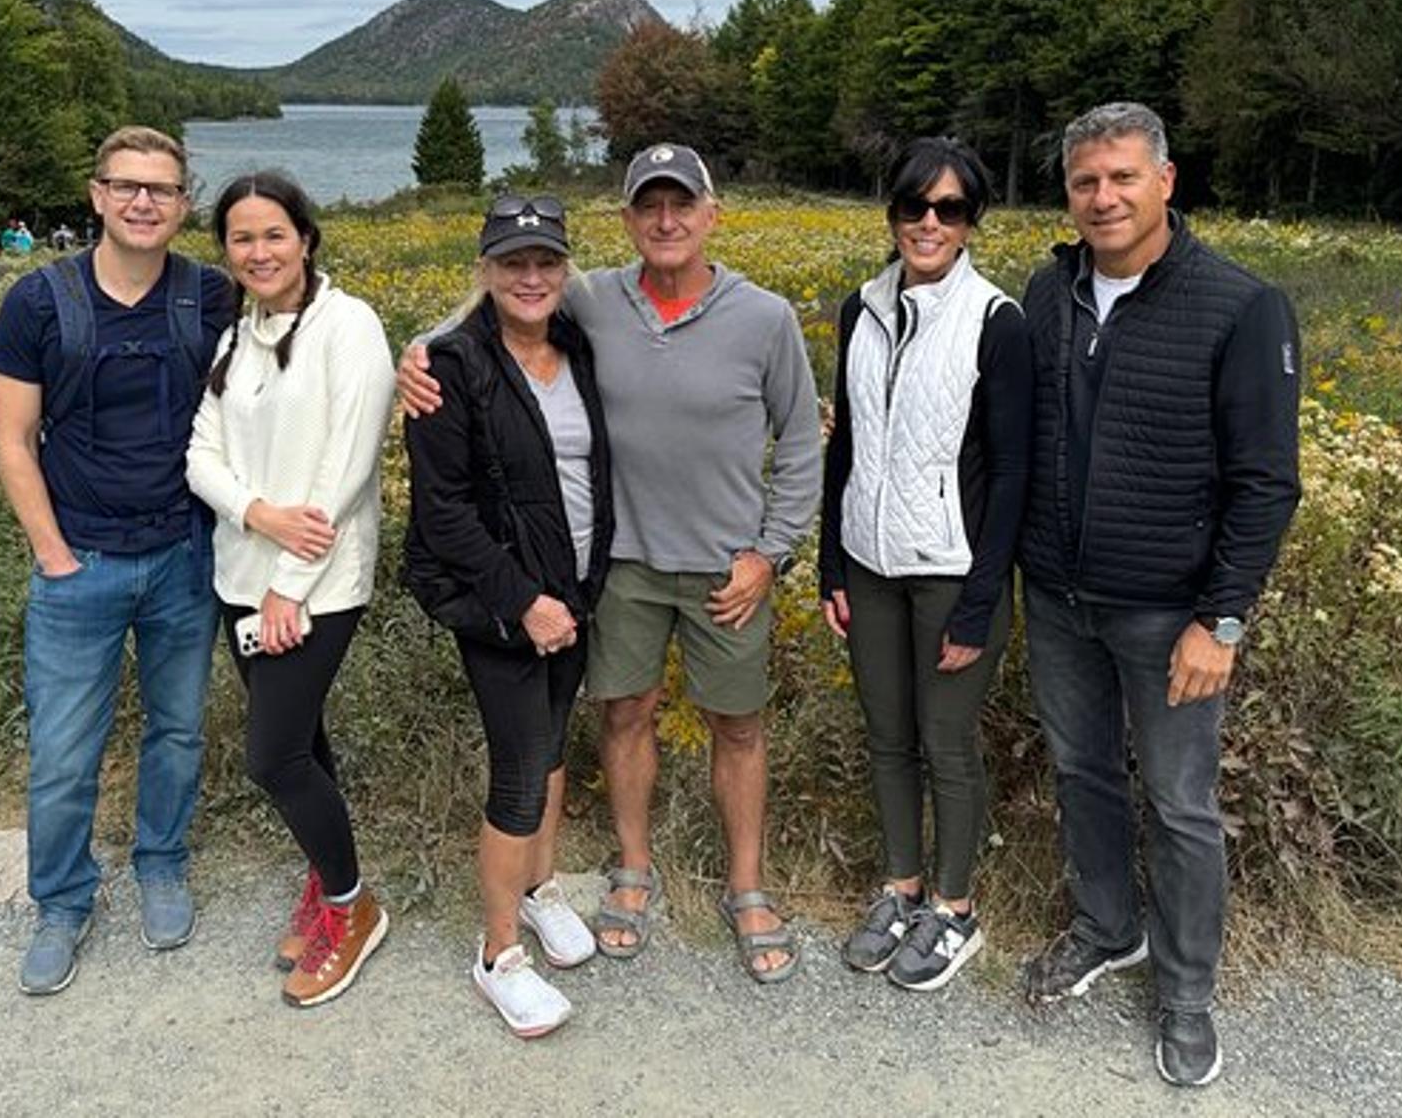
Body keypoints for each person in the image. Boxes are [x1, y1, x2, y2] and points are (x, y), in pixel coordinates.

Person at [399, 144, 821, 983]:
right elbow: (490, 313)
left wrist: (769, 553)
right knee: (624, 716)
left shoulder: (766, 316)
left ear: (711, 214)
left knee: (738, 725)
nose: (666, 221)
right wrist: (412, 352)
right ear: (626, 220)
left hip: (725, 572)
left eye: (682, 205)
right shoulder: (593, 301)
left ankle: (746, 884)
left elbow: (802, 441)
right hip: (619, 565)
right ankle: (631, 871)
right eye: (648, 207)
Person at [1016, 102, 1301, 1088]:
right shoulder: (1047, 293)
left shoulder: (1235, 305)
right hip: (1055, 597)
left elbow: (1265, 481)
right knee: (1081, 773)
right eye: (1085, 182)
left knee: (1178, 804)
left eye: (1121, 178)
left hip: (1166, 613)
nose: (1102, 198)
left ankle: (1184, 993)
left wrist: (1218, 619)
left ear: (1164, 182)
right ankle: (1107, 930)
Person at [0, 126, 238, 996]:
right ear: (95, 194)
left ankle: (159, 864)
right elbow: (13, 441)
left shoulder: (210, 296)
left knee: (176, 730)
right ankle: (61, 902)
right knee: (63, 750)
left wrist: (421, 352)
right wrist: (52, 555)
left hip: (182, 554)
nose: (142, 202)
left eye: (161, 190)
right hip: (78, 563)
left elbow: (309, 332)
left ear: (182, 203)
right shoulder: (36, 302)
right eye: (126, 186)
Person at [818, 136, 1029, 993]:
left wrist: (981, 602)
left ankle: (954, 908)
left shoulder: (996, 321)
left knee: (946, 741)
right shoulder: (858, 309)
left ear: (972, 220)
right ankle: (901, 887)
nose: (929, 223)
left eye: (949, 208)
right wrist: (831, 562)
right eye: (915, 206)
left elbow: (1013, 473)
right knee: (888, 737)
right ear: (894, 213)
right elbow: (849, 446)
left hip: (951, 569)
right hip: (869, 565)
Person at [402, 195, 612, 1037]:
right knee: (521, 768)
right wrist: (523, 601)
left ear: (564, 271)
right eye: (513, 262)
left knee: (554, 748)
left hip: (575, 593)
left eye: (546, 262)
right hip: (504, 604)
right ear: (486, 270)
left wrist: (564, 597)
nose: (531, 276)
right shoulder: (452, 365)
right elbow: (443, 510)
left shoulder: (577, 347)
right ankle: (498, 955)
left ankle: (539, 888)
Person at [186, 170, 395, 1009]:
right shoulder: (236, 337)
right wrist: (258, 513)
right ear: (227, 253)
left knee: (272, 756)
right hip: (240, 574)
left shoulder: (350, 327)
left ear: (306, 238)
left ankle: (351, 905)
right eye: (242, 238)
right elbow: (199, 455)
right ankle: (324, 877)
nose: (260, 251)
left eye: (275, 234)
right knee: (304, 743)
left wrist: (290, 586)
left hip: (317, 585)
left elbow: (345, 471)